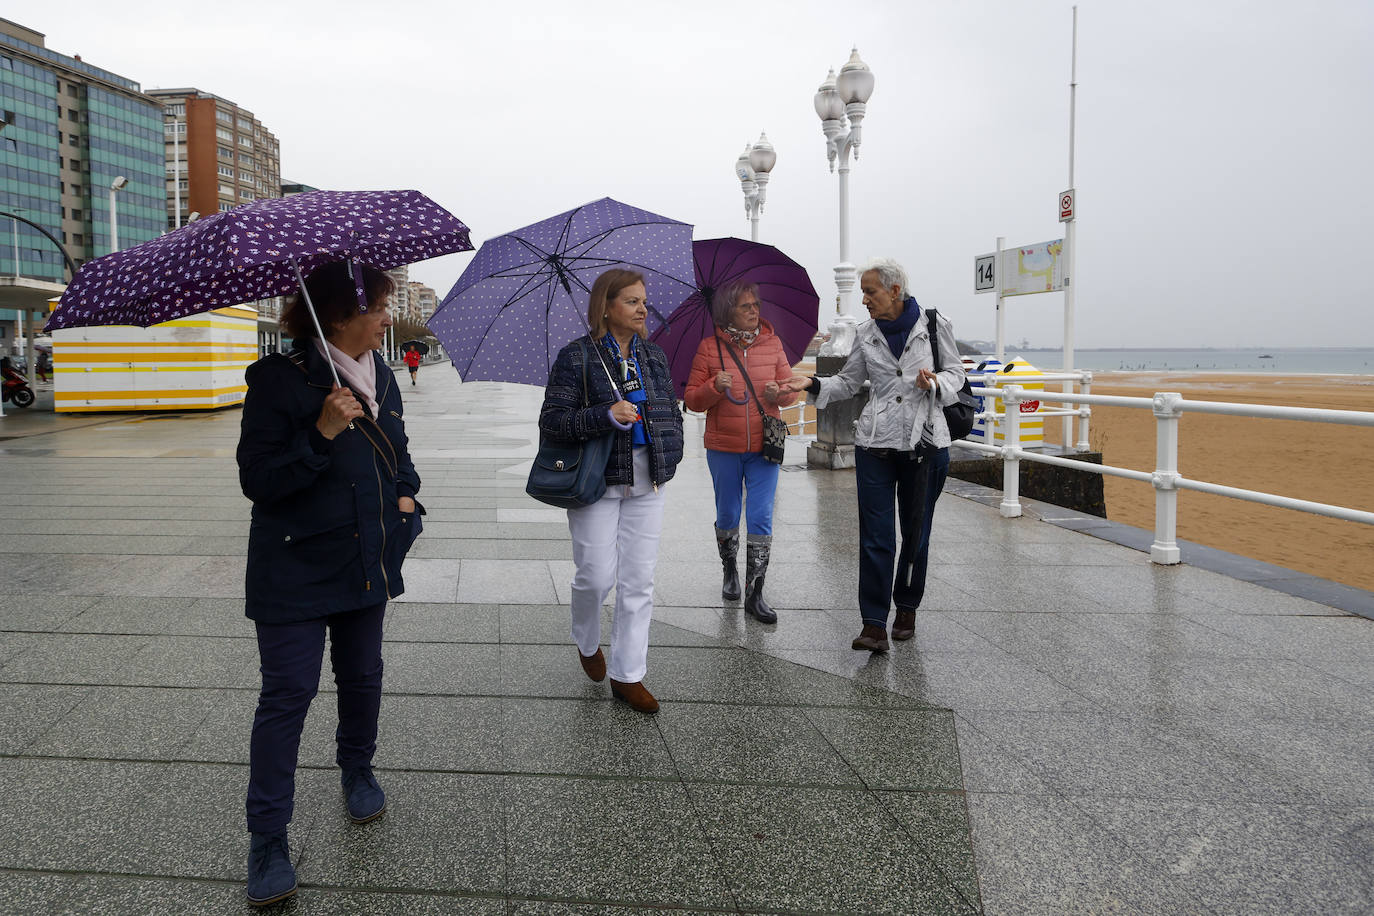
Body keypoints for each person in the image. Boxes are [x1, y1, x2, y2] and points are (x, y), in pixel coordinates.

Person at [236, 261, 424, 906]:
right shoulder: (277, 382)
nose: (387, 317)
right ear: (340, 315)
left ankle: (357, 767)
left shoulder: (383, 375)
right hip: (293, 563)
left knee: (363, 674)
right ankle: (268, 836)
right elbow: (258, 482)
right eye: (378, 306)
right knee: (287, 694)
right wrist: (321, 432)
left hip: (366, 557)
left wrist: (406, 504)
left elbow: (400, 456)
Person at [783, 258, 965, 653]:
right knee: (876, 537)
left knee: (916, 534)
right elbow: (849, 382)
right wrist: (810, 383)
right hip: (874, 443)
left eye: (871, 292)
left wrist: (935, 383)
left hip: (926, 443)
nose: (864, 300)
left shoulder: (934, 326)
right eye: (863, 292)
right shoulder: (866, 333)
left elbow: (956, 375)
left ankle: (907, 607)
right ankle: (873, 623)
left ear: (895, 291)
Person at [538, 268, 684, 714]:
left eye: (644, 301)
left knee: (639, 581)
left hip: (648, 478)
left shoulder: (654, 356)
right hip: (597, 480)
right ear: (606, 306)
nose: (643, 309)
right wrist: (604, 414)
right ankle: (586, 640)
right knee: (596, 576)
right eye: (632, 302)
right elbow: (553, 420)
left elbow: (668, 410)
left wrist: (669, 450)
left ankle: (628, 674)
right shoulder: (576, 357)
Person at [683, 281, 798, 623]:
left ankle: (755, 591)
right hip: (724, 447)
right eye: (745, 306)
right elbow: (691, 399)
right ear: (726, 311)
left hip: (765, 447)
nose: (753, 311)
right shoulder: (708, 348)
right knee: (729, 514)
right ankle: (730, 567)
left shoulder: (773, 343)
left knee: (761, 515)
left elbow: (790, 388)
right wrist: (712, 388)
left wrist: (781, 393)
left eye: (755, 305)